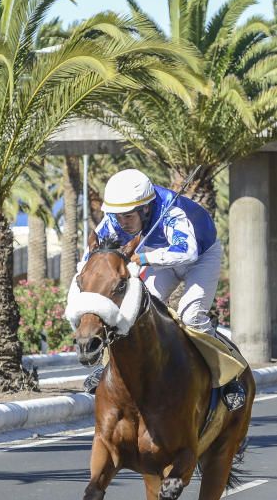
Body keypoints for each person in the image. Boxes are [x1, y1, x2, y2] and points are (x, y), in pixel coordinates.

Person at [81, 168, 244, 408]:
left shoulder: (172, 212)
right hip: (162, 261)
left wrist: (144, 259)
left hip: (200, 259)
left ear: (145, 208)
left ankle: (230, 378)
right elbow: (91, 257)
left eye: (127, 216)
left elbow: (186, 253)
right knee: (132, 311)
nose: (121, 223)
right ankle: (107, 367)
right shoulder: (116, 220)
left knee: (191, 315)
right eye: (117, 216)